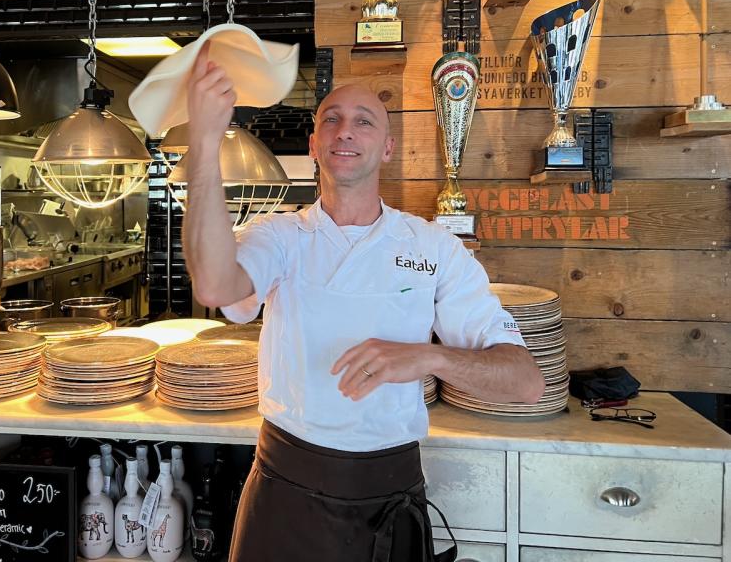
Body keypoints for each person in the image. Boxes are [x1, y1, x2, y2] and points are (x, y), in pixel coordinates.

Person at [182, 45, 545, 562]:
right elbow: (217, 287)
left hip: (388, 492)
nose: (344, 131)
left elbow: (527, 382)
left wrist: (428, 357)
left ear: (389, 147)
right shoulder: (280, 236)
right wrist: (202, 141)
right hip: (287, 488)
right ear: (313, 144)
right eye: (331, 120)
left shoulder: (432, 246)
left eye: (363, 121)